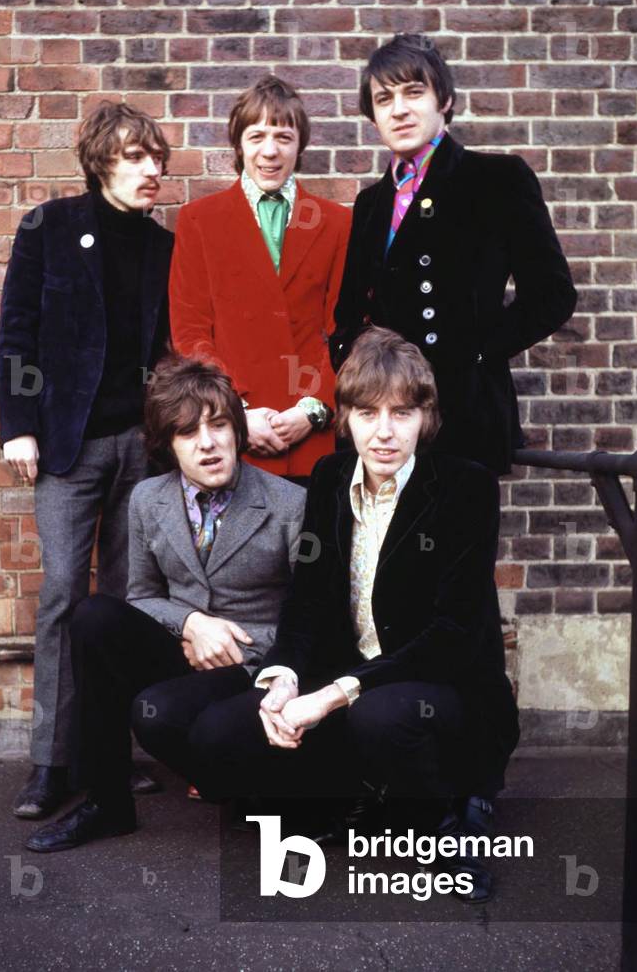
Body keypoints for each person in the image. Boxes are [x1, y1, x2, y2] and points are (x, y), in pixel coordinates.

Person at [189, 327, 520, 901]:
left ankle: (448, 816)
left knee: (380, 716)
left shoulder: (466, 487)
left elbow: (453, 635)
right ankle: (353, 793)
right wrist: (283, 677)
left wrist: (331, 696)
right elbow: (308, 597)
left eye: (401, 413)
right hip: (354, 686)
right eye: (368, 413)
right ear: (345, 417)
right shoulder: (329, 477)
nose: (384, 432)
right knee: (215, 735)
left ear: (426, 417)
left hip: (445, 692)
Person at [23, 355, 306, 852]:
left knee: (159, 714)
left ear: (238, 431)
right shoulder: (147, 499)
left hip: (253, 668)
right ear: (167, 445)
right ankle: (107, 804)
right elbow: (142, 596)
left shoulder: (288, 503)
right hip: (183, 654)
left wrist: (236, 644)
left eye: (219, 425)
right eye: (188, 432)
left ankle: (248, 787)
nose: (207, 443)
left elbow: (308, 616)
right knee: (93, 617)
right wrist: (192, 623)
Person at [0, 102, 173, 820]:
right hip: (66, 445)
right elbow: (17, 330)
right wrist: (18, 426)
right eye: (134, 157)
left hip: (143, 447)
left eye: (156, 158)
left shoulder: (164, 247)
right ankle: (51, 763)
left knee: (126, 605)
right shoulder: (49, 226)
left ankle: (110, 759)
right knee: (65, 595)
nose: (151, 169)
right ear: (100, 162)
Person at [331, 33, 577, 475]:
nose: (399, 110)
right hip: (382, 425)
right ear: (373, 116)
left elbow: (552, 296)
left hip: (464, 417)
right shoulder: (371, 203)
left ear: (443, 99)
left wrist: (475, 356)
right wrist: (359, 368)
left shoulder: (497, 179)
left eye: (413, 92)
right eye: (384, 99)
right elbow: (349, 313)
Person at [170, 75, 351, 483]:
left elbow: (347, 330)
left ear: (300, 145)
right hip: (231, 435)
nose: (270, 151)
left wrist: (314, 409)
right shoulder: (199, 221)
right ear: (239, 144)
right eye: (256, 137)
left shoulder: (338, 223)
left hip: (311, 437)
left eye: (284, 137)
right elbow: (190, 331)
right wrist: (234, 413)